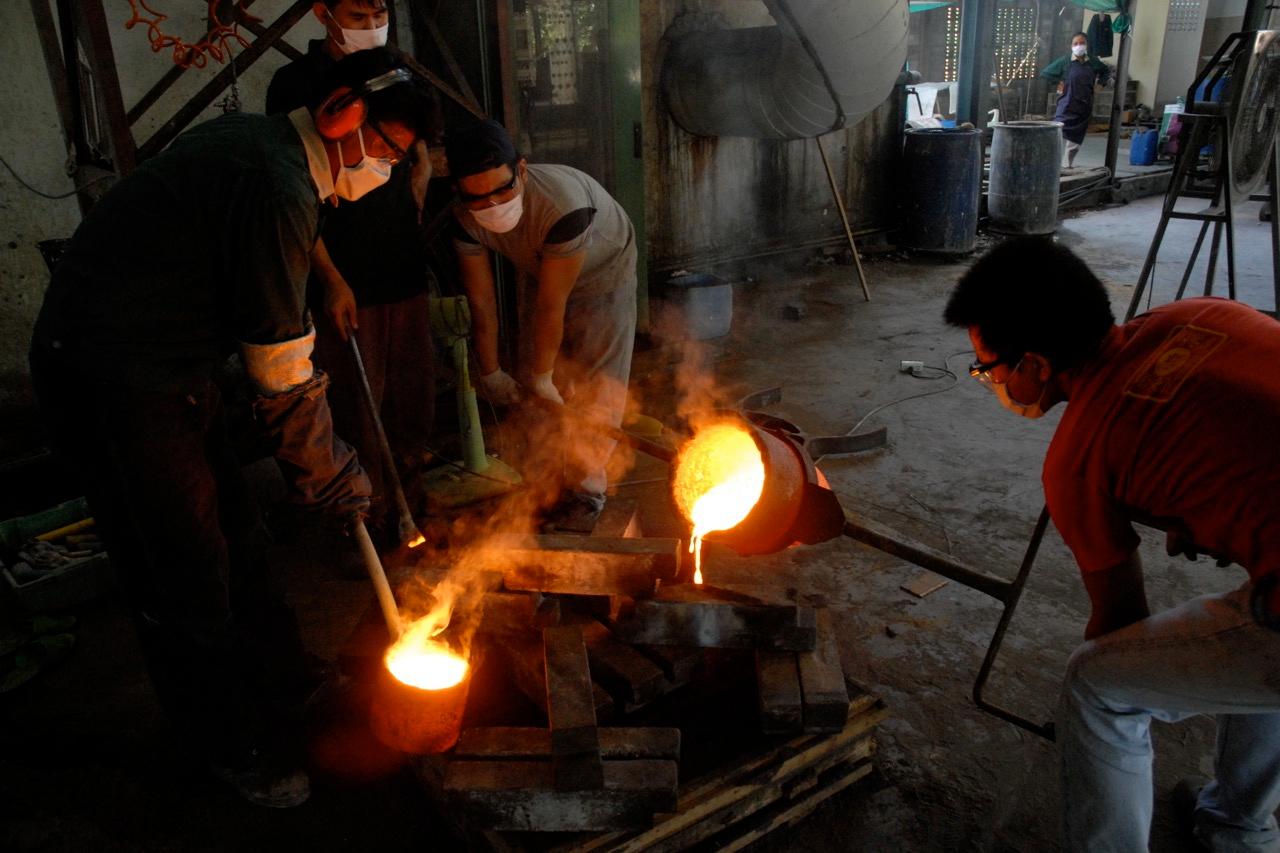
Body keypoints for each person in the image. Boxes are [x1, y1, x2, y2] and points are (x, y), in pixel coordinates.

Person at [29, 49, 436, 808]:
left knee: (240, 534)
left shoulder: (268, 148)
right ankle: (224, 743)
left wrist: (326, 282)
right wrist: (333, 477)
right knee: (184, 565)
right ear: (340, 112)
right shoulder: (277, 183)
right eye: (385, 147)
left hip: (170, 365)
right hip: (113, 377)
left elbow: (271, 287)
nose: (384, 165)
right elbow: (281, 374)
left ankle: (285, 677)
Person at [944, 237, 1280, 852]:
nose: (988, 381)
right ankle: (1236, 824)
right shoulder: (1197, 314)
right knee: (1253, 611)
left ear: (1035, 367)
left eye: (988, 367)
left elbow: (1122, 618)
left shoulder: (1077, 457)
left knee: (1099, 687)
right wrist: (1207, 507)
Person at [267, 2, 440, 543]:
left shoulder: (397, 70)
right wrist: (331, 278)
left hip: (402, 267)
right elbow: (296, 200)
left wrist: (419, 175)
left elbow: (422, 146)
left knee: (411, 401)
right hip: (347, 277)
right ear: (324, 11)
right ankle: (360, 522)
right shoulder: (299, 83)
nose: (372, 22)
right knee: (356, 409)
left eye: (379, 10)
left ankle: (409, 509)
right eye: (357, 12)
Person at [445, 119, 637, 531]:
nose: (492, 205)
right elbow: (482, 299)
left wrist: (544, 376)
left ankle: (587, 491)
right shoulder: (462, 218)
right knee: (530, 379)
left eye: (503, 189)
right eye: (478, 198)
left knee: (595, 379)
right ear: (460, 193)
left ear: (523, 171)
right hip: (542, 265)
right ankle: (545, 485)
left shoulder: (562, 206)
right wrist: (492, 369)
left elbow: (554, 305)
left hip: (605, 268)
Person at [1041, 32, 1112, 169]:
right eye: (1075, 43)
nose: (1079, 46)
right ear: (1071, 46)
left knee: (1076, 137)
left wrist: (1100, 85)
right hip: (1067, 103)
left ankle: (1067, 165)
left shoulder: (1093, 61)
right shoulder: (1065, 61)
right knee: (1057, 130)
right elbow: (1045, 73)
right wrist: (1059, 82)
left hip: (1084, 104)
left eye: (1082, 43)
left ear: (1087, 45)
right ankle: (1050, 163)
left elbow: (1105, 71)